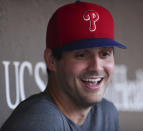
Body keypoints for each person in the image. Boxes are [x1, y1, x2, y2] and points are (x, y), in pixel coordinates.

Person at [1, 1, 126, 131]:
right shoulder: (40, 121)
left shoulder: (106, 114)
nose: (96, 67)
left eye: (105, 54)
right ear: (51, 60)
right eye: (82, 55)